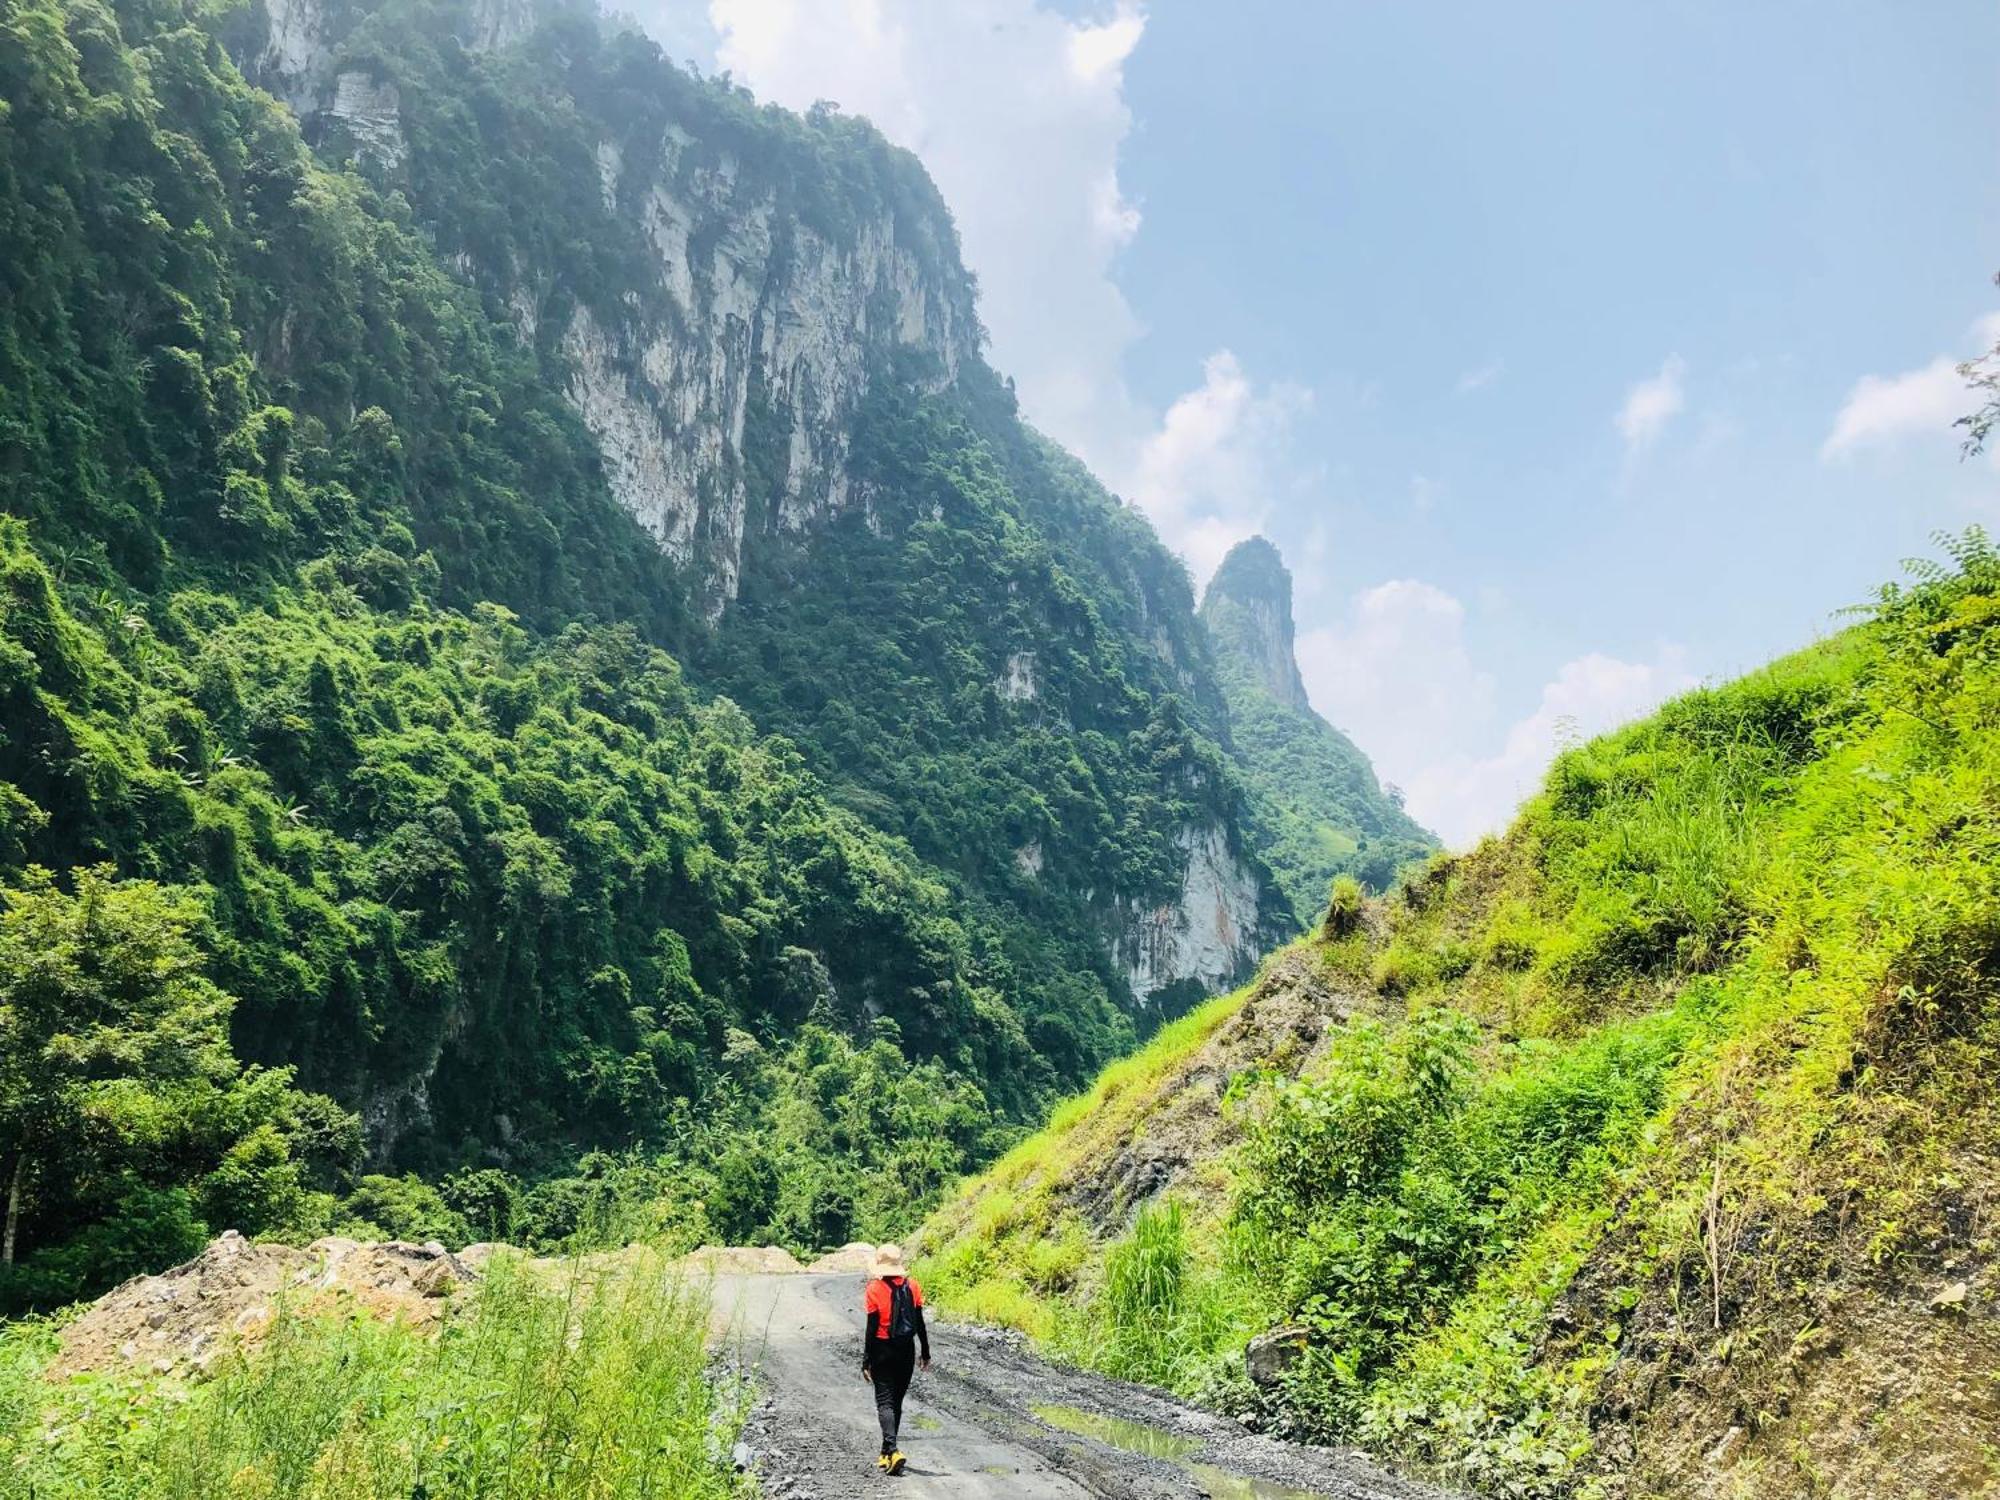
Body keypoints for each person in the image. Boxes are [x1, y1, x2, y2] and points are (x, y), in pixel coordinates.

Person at [861, 1243, 930, 1474]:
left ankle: (893, 1449)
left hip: (882, 1349)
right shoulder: (913, 1286)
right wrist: (925, 1352)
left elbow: (871, 1328)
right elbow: (919, 1322)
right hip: (906, 1350)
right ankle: (885, 1453)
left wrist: (866, 1360)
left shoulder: (874, 1289)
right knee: (896, 1402)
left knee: (885, 1402)